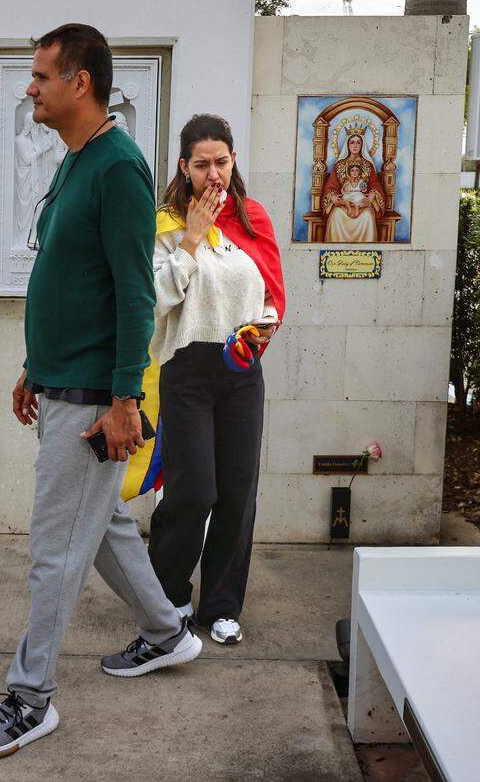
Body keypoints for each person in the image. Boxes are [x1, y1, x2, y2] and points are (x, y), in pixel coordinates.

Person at [0, 24, 201, 760]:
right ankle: (168, 633)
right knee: (102, 533)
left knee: (53, 548)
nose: (30, 87)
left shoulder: (119, 169)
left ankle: (31, 698)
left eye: (40, 76)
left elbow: (134, 293)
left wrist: (126, 399)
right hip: (63, 381)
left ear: (80, 83)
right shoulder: (76, 162)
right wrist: (36, 361)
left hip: (99, 396)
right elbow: (69, 281)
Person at [146, 114, 286, 646]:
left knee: (237, 491)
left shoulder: (253, 220)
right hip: (187, 370)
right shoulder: (163, 223)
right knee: (193, 488)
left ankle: (223, 604)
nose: (213, 174)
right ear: (184, 166)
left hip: (242, 368)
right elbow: (155, 300)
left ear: (233, 162)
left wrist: (261, 329)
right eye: (201, 164)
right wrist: (192, 239)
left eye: (221, 162)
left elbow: (272, 293)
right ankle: (168, 593)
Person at [321, 128, 385, 243]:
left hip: (362, 204)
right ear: (347, 145)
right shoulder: (339, 165)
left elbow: (375, 185)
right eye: (352, 142)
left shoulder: (368, 165)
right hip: (343, 204)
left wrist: (371, 197)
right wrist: (332, 197)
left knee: (367, 217)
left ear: (362, 145)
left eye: (358, 142)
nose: (355, 145)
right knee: (336, 215)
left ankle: (365, 252)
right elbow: (331, 186)